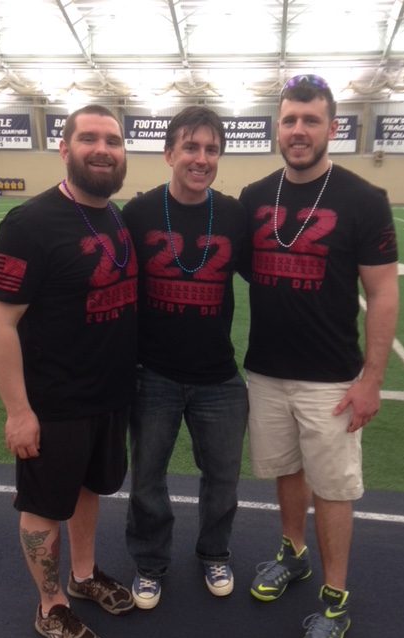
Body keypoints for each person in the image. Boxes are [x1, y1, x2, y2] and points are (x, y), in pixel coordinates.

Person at [239, 75, 399, 638]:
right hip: (265, 371)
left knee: (333, 488)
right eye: (289, 120)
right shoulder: (256, 197)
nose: (299, 130)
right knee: (285, 470)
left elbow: (382, 292)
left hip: (331, 379)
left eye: (310, 120)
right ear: (276, 128)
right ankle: (293, 553)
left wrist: (371, 380)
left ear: (333, 127)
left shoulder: (363, 199)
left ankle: (335, 598)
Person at [0, 104, 138, 638]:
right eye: (89, 138)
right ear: (64, 147)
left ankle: (82, 576)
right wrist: (19, 411)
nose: (102, 149)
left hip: (108, 396)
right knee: (45, 507)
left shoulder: (113, 213)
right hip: (54, 402)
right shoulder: (28, 223)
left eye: (113, 140)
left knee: (90, 490)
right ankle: (49, 605)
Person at [123, 106, 249, 609]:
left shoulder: (234, 214)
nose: (201, 159)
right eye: (191, 148)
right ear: (169, 153)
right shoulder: (139, 213)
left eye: (211, 149)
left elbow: (270, 282)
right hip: (153, 373)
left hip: (218, 376)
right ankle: (150, 563)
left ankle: (214, 551)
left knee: (223, 480)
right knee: (147, 478)